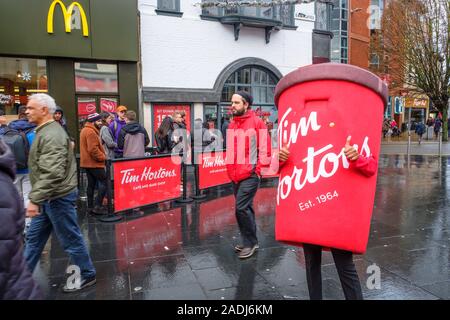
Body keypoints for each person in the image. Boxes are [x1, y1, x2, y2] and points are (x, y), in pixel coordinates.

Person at [278, 137, 378, 300]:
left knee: (344, 265)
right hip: (309, 204)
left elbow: (371, 167)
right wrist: (280, 159)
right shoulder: (298, 130)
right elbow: (275, 167)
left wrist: (358, 158)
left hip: (338, 209)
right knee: (311, 263)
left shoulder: (351, 125)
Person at [23, 93, 96, 293]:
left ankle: (87, 274)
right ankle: (20, 277)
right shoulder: (45, 131)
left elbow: (53, 171)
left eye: (31, 107)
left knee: (71, 239)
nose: (27, 111)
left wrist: (34, 199)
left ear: (44, 110)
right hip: (48, 198)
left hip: (57, 198)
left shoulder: (52, 134)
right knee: (34, 239)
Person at [226, 91, 271, 259]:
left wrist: (256, 170)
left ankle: (250, 243)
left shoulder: (257, 123)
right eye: (232, 102)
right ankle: (251, 241)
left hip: (250, 175)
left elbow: (265, 150)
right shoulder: (232, 124)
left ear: (246, 105)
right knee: (246, 208)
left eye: (236, 103)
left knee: (241, 208)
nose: (233, 106)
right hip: (235, 175)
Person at [0, 137, 42, 299]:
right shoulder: (33, 134)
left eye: (33, 108)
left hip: (15, 289)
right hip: (18, 286)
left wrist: (38, 197)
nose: (30, 111)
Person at [7, 105, 36, 235]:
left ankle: (17, 225)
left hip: (12, 170)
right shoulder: (33, 131)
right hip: (28, 169)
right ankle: (28, 225)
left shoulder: (7, 130)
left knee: (16, 197)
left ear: (18, 115)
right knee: (27, 196)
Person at [80, 112, 107, 215]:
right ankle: (97, 205)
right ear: (92, 121)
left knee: (91, 185)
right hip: (94, 163)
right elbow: (93, 150)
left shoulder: (85, 130)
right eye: (98, 121)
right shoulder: (91, 132)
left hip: (87, 163)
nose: (100, 123)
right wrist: (103, 157)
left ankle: (90, 207)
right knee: (104, 182)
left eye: (100, 120)